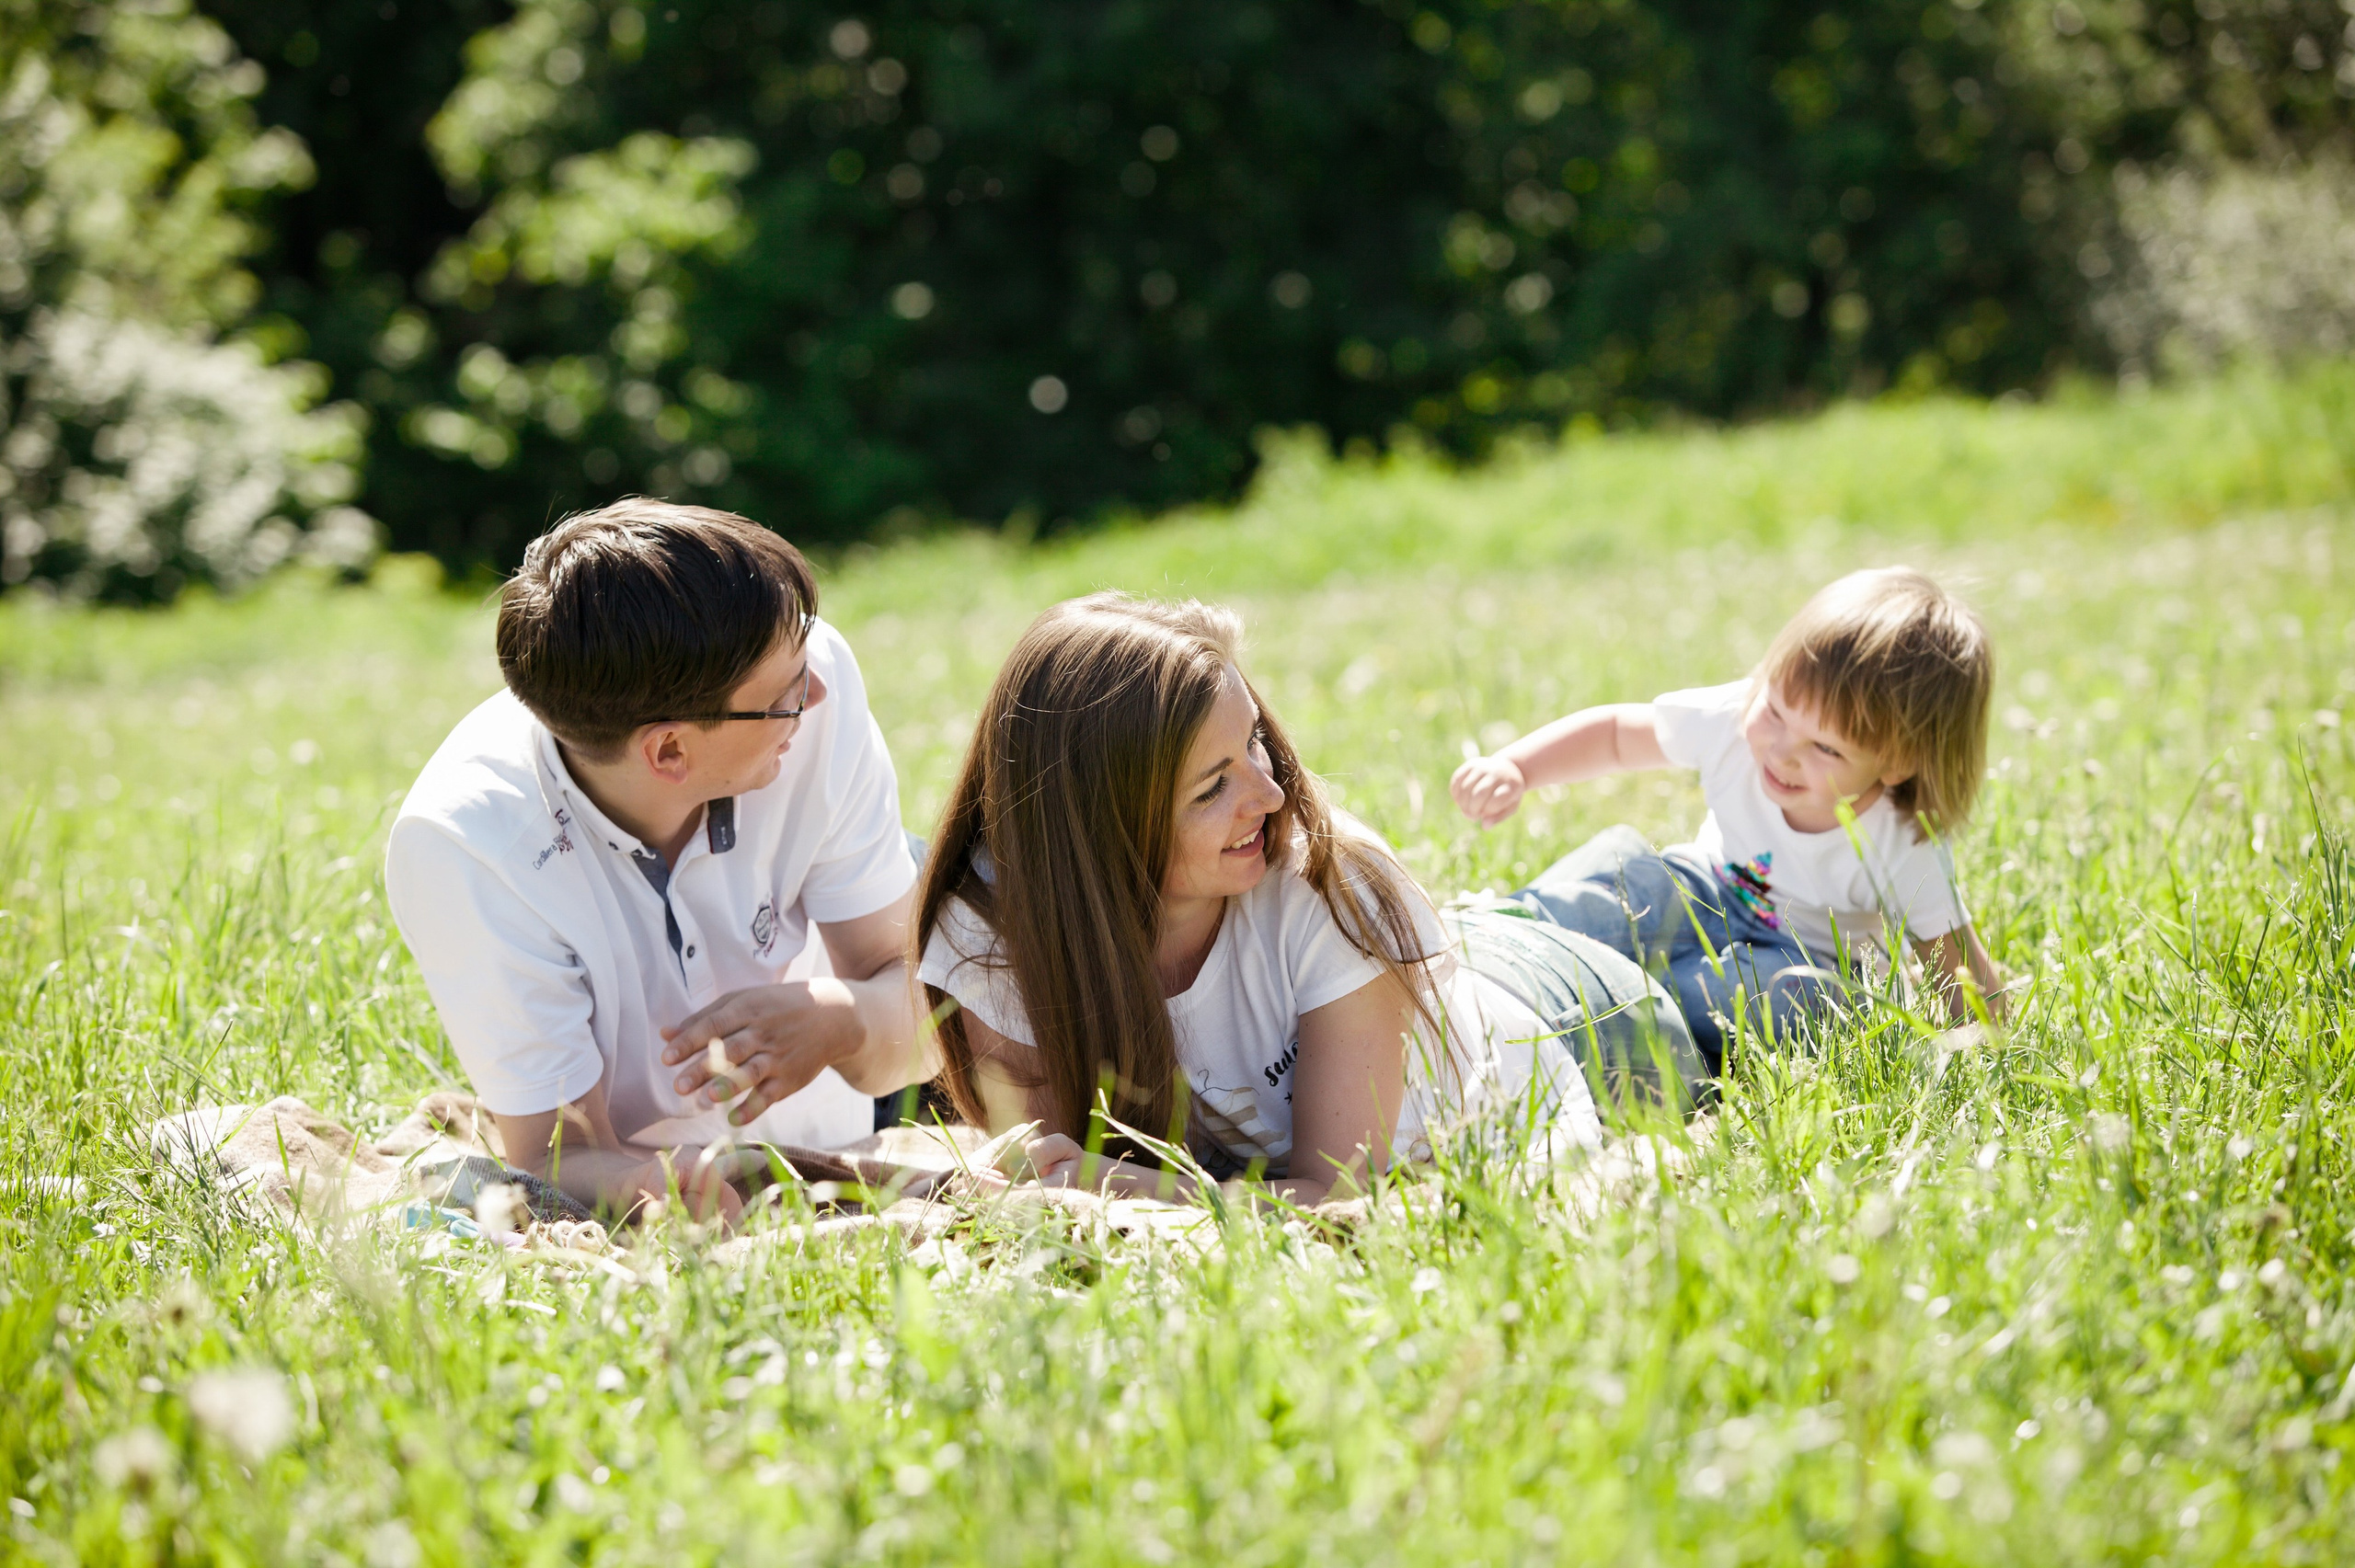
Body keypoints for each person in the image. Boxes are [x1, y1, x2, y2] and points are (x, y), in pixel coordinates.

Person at [915, 593, 1703, 1207]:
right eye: (1213, 786)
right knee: (1501, 917)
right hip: (1413, 976)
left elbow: (1336, 1200)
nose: (1269, 789)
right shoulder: (990, 926)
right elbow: (1051, 1174)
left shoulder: (1331, 879)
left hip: (1580, 1029)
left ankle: (1671, 873)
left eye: (1253, 742)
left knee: (1706, 940)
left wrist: (1139, 1190)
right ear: (1093, 828)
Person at [385, 499, 931, 1225]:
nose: (819, 695)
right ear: (669, 750)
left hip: (859, 1118)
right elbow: (556, 1155)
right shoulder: (470, 848)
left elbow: (928, 1012)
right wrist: (659, 1186)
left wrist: (842, 1018)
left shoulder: (811, 676)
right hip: (679, 1163)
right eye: (787, 697)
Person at [1449, 567, 2002, 1071]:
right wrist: (1517, 768)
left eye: (1826, 749)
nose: (1782, 751)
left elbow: (1954, 962)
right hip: (1705, 883)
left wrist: (1992, 1044)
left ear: (1899, 761)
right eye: (1777, 711)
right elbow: (1618, 735)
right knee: (1621, 893)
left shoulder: (1903, 841)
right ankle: (1472, 944)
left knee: (1781, 998)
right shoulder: (1733, 721)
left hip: (1805, 956)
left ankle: (1620, 1006)